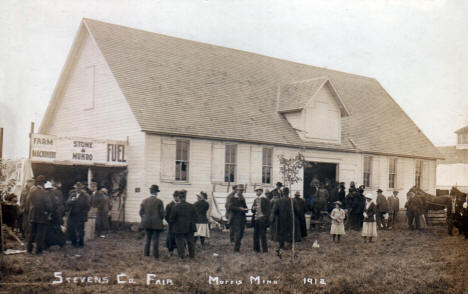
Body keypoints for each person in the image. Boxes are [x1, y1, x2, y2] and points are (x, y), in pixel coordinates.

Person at [25, 175, 52, 254]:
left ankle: (29, 249)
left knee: (32, 233)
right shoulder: (44, 192)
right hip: (42, 215)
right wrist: (49, 211)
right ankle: (38, 250)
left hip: (33, 215)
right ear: (43, 183)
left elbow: (28, 202)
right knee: (40, 233)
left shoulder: (32, 191)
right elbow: (48, 205)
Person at [170, 190, 197, 259]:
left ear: (179, 197)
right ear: (185, 197)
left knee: (180, 242)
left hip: (179, 228)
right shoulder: (192, 206)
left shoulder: (175, 207)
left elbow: (171, 219)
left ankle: (181, 256)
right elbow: (195, 217)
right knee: (191, 241)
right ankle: (192, 256)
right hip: (190, 227)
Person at [139, 185, 164, 258]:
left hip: (146, 223)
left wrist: (144, 218)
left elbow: (141, 212)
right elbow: (162, 213)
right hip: (156, 223)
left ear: (150, 192)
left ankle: (146, 254)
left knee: (147, 239)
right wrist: (159, 219)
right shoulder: (159, 202)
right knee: (155, 239)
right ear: (156, 192)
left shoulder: (144, 201)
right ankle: (155, 255)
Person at [66, 182, 91, 247]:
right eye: (76, 188)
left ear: (81, 188)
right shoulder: (72, 194)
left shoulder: (85, 196)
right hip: (72, 215)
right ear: (75, 188)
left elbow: (88, 206)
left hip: (80, 215)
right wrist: (72, 200)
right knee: (71, 229)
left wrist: (83, 213)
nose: (77, 189)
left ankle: (81, 243)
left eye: (79, 188)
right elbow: (67, 203)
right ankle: (74, 243)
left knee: (80, 230)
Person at [226, 184, 248, 252]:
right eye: (239, 190)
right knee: (237, 233)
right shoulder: (232, 198)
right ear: (236, 190)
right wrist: (239, 209)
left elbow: (245, 206)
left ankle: (237, 246)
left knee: (241, 233)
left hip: (242, 218)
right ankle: (236, 249)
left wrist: (246, 209)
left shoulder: (242, 198)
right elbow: (230, 207)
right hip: (235, 218)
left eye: (242, 190)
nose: (241, 192)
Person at [44, 181, 66, 249]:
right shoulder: (52, 194)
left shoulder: (51, 195)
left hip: (53, 214)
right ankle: (55, 243)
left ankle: (59, 243)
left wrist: (50, 214)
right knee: (52, 230)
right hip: (54, 214)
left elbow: (54, 205)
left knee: (54, 229)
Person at [251, 187, 271, 253]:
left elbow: (268, 211)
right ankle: (256, 249)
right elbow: (252, 210)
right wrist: (253, 209)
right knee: (255, 235)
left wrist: (264, 217)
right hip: (256, 219)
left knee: (263, 235)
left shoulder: (265, 200)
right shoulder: (255, 199)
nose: (257, 192)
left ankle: (265, 250)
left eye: (258, 191)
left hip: (262, 220)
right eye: (256, 191)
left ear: (261, 191)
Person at [165, 191, 180, 255]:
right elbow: (166, 216)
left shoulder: (180, 205)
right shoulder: (169, 205)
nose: (178, 198)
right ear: (175, 197)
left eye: (179, 197)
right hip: (172, 225)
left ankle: (178, 250)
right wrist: (170, 222)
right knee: (171, 237)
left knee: (179, 237)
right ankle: (170, 250)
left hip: (179, 225)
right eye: (177, 196)